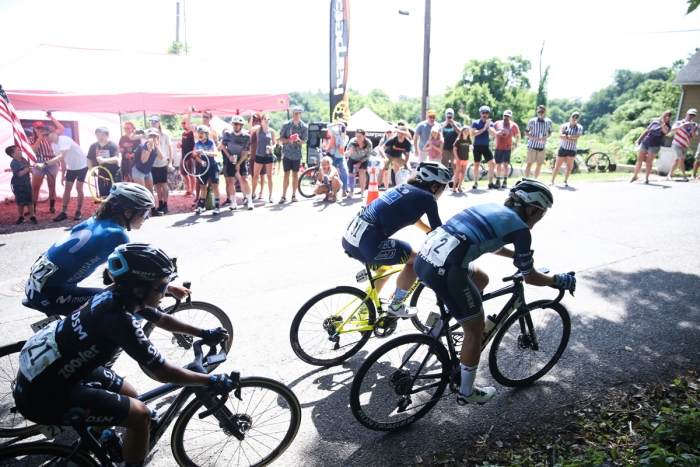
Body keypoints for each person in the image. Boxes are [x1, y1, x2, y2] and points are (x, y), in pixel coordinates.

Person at [15, 243, 231, 467]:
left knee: (130, 393)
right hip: (44, 397)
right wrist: (211, 380)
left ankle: (98, 439)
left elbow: (162, 319)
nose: (165, 292)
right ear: (140, 290)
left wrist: (204, 332)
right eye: (162, 286)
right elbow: (163, 373)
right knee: (140, 416)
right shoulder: (119, 319)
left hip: (51, 374)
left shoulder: (116, 295)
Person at [414, 179, 575, 405]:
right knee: (475, 328)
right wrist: (559, 281)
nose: (540, 219)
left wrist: (515, 256)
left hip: (424, 260)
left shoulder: (491, 208)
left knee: (481, 279)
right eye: (542, 213)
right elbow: (530, 278)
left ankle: (441, 327)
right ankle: (466, 391)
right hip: (447, 270)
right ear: (531, 209)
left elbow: (490, 243)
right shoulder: (520, 230)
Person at [23, 183, 176, 315]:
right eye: (144, 212)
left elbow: (110, 275)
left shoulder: (97, 220)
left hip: (36, 287)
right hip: (51, 296)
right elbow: (128, 281)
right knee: (131, 305)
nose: (147, 217)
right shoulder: (116, 235)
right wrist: (167, 287)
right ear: (128, 213)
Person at [342, 162, 452, 318]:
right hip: (369, 244)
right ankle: (396, 305)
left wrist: (427, 231)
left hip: (350, 239)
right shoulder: (428, 198)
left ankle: (364, 310)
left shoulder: (403, 188)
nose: (442, 191)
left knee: (384, 271)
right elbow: (439, 232)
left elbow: (414, 219)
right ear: (435, 186)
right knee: (417, 260)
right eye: (444, 187)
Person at [41, 128, 89, 222]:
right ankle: (63, 212)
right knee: (67, 187)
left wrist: (44, 164)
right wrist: (63, 174)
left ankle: (78, 211)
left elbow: (61, 156)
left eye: (48, 134)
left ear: (54, 133)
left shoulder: (64, 139)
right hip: (71, 167)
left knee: (79, 187)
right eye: (45, 135)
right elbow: (62, 160)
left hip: (83, 165)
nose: (47, 137)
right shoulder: (54, 146)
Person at [219, 116, 254, 211]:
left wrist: (239, 163)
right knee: (230, 182)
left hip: (241, 158)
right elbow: (223, 146)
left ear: (241, 126)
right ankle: (233, 202)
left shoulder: (247, 137)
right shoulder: (227, 134)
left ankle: (250, 201)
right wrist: (229, 156)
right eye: (234, 124)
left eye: (237, 124)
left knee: (245, 180)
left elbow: (246, 152)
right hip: (230, 158)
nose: (235, 126)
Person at [29, 118, 64, 213]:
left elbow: (61, 128)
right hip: (39, 161)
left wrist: (52, 118)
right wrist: (39, 138)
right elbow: (33, 150)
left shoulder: (49, 137)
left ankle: (52, 206)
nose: (40, 129)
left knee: (52, 185)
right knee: (35, 186)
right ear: (34, 129)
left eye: (42, 128)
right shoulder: (31, 139)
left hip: (51, 161)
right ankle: (33, 208)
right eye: (38, 128)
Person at [630, 111, 673, 184]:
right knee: (639, 160)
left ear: (669, 118)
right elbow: (646, 131)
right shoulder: (655, 123)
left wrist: (662, 124)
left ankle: (646, 178)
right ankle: (635, 176)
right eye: (663, 116)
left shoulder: (668, 126)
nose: (664, 118)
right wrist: (638, 140)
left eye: (666, 116)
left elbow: (666, 132)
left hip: (655, 145)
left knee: (649, 162)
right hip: (645, 142)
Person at [279, 105, 309, 203]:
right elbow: (281, 138)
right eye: (294, 113)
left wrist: (297, 140)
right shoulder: (286, 125)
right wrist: (289, 139)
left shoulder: (304, 127)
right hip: (287, 153)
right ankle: (283, 196)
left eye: (297, 113)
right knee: (286, 174)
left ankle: (294, 195)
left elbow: (303, 142)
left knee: (295, 174)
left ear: (301, 114)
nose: (295, 115)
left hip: (296, 154)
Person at [132, 129, 164, 217]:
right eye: (151, 136)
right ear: (148, 137)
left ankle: (153, 210)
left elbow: (161, 157)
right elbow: (143, 160)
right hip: (138, 171)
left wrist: (157, 147)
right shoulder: (144, 146)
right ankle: (142, 212)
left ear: (157, 137)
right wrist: (149, 151)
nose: (152, 138)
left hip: (147, 171)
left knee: (150, 192)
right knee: (142, 192)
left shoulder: (157, 146)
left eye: (154, 136)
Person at [192, 125, 222, 215]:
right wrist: (201, 161)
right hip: (204, 167)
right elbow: (197, 157)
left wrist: (204, 152)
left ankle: (217, 207)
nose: (200, 135)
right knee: (202, 186)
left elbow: (215, 153)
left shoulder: (211, 142)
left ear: (206, 134)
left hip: (213, 166)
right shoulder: (197, 143)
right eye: (199, 133)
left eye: (202, 133)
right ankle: (202, 206)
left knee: (215, 185)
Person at [147, 117, 173, 214]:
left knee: (164, 185)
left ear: (159, 123)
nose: (153, 123)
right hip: (153, 164)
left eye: (155, 121)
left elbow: (170, 149)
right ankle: (160, 204)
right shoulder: (149, 134)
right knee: (157, 186)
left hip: (162, 164)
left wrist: (170, 162)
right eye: (151, 121)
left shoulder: (164, 135)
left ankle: (166, 205)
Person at [87, 127, 121, 201]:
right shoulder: (93, 146)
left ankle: (116, 211)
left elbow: (116, 159)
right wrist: (91, 170)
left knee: (115, 195)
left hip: (114, 173)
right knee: (104, 196)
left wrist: (104, 160)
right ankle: (105, 211)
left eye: (102, 135)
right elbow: (89, 158)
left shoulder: (112, 145)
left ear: (107, 135)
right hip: (101, 174)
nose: (100, 137)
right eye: (98, 135)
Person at [5, 145, 37, 224]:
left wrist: (31, 172)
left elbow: (28, 169)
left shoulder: (23, 160)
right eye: (18, 150)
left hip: (27, 183)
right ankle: (21, 216)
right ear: (12, 154)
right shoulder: (13, 163)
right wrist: (27, 169)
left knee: (30, 201)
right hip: (18, 185)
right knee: (21, 202)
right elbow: (19, 174)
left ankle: (32, 216)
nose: (20, 151)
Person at [551, 112, 583, 186]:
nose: (574, 119)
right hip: (563, 148)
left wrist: (567, 137)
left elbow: (577, 136)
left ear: (578, 119)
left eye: (576, 117)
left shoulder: (579, 127)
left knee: (569, 166)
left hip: (572, 149)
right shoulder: (564, 126)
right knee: (557, 166)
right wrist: (570, 138)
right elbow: (561, 135)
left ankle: (565, 181)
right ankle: (552, 180)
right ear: (570, 117)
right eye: (573, 117)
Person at [250, 114, 277, 203]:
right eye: (264, 119)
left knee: (269, 176)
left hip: (268, 155)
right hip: (259, 155)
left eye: (268, 119)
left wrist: (272, 147)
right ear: (261, 121)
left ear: (269, 121)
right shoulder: (258, 128)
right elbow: (250, 130)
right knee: (255, 176)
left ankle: (271, 195)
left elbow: (274, 143)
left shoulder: (272, 131)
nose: (266, 120)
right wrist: (251, 117)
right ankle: (252, 194)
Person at [378, 125, 413, 192]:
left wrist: (405, 164)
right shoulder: (392, 139)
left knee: (409, 169)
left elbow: (407, 155)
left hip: (399, 156)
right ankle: (377, 187)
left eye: (402, 133)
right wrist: (384, 157)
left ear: (405, 135)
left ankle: (407, 187)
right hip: (388, 155)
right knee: (382, 168)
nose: (400, 135)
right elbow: (381, 148)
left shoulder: (408, 143)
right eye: (399, 133)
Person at [667, 109, 698, 182]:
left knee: (678, 160)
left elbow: (694, 137)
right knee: (681, 159)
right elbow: (671, 130)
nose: (691, 116)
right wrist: (682, 126)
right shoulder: (679, 122)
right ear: (686, 114)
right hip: (676, 144)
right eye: (690, 114)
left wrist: (693, 130)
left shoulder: (694, 125)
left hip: (685, 145)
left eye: (693, 115)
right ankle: (684, 176)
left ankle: (669, 175)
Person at [470, 105, 496, 189]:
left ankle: (490, 182)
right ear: (480, 113)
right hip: (477, 145)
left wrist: (487, 127)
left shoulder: (490, 123)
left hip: (485, 146)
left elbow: (493, 134)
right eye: (483, 112)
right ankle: (475, 182)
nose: (485, 114)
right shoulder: (476, 122)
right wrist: (483, 129)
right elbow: (473, 133)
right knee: (476, 164)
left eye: (486, 113)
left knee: (492, 163)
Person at [493, 109, 520, 189]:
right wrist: (498, 133)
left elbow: (518, 135)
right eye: (505, 116)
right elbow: (492, 133)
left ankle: (505, 180)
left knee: (505, 164)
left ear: (510, 117)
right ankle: (498, 179)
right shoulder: (497, 123)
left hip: (507, 148)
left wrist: (515, 144)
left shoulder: (513, 125)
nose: (506, 117)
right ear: (503, 116)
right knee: (498, 164)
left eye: (508, 116)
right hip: (498, 147)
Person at [524, 105, 553, 179]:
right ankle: (526, 178)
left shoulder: (548, 122)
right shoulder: (532, 121)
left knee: (539, 164)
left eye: (542, 112)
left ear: (545, 112)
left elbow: (550, 133)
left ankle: (535, 179)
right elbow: (526, 132)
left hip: (542, 146)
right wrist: (534, 138)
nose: (540, 113)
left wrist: (545, 137)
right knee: (529, 163)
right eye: (538, 112)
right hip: (532, 145)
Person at [344, 129, 373, 198]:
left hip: (363, 159)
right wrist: (350, 151)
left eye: (360, 136)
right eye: (357, 136)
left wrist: (360, 163)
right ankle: (351, 191)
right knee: (352, 174)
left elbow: (368, 155)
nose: (358, 138)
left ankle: (362, 191)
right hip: (353, 159)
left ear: (364, 136)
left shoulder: (368, 143)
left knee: (362, 172)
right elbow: (345, 154)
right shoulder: (352, 141)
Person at [324, 121, 349, 197]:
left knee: (345, 172)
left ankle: (344, 190)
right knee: (330, 173)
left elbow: (342, 146)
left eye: (343, 126)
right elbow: (328, 126)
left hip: (341, 157)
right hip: (332, 156)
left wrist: (342, 136)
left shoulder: (346, 137)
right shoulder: (334, 132)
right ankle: (330, 190)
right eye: (340, 126)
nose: (341, 127)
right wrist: (336, 123)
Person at [177, 117, 196, 197]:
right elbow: (185, 144)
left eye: (185, 123)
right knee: (184, 173)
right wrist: (180, 145)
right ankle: (188, 190)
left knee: (191, 174)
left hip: (190, 157)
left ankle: (192, 191)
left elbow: (194, 144)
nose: (183, 125)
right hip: (183, 156)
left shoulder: (192, 133)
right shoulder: (184, 134)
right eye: (182, 123)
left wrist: (193, 153)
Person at [452, 127, 472, 192]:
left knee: (463, 172)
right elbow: (454, 149)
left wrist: (471, 149)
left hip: (465, 158)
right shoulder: (459, 140)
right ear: (462, 132)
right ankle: (454, 187)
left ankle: (460, 186)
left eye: (467, 131)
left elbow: (469, 149)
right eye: (465, 131)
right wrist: (457, 158)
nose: (466, 132)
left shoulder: (469, 140)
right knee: (457, 172)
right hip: (459, 158)